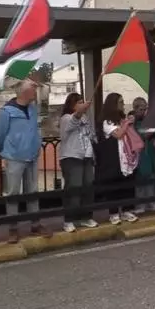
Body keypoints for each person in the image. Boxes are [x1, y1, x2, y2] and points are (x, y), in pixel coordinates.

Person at [0, 79, 51, 243]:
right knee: (13, 193)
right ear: (25, 92)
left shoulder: (32, 109)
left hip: (32, 156)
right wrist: (5, 152)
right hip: (14, 158)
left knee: (32, 192)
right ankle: (13, 228)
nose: (35, 92)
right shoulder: (6, 112)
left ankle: (35, 224)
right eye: (33, 89)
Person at [95, 92, 141, 224]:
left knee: (127, 184)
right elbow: (119, 134)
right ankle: (114, 213)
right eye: (120, 102)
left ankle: (127, 210)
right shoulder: (107, 122)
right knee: (114, 185)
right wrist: (126, 123)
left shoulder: (121, 119)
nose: (123, 105)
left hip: (126, 156)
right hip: (113, 158)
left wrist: (128, 121)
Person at [58, 92, 99, 233]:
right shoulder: (66, 118)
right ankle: (69, 219)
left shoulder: (85, 118)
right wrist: (80, 112)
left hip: (87, 156)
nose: (82, 105)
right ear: (72, 105)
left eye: (82, 102)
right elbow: (72, 123)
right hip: (72, 157)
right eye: (79, 103)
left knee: (88, 187)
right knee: (74, 187)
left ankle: (86, 216)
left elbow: (90, 134)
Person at [132, 97, 155, 214]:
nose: (144, 112)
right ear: (135, 109)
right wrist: (153, 130)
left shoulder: (148, 121)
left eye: (145, 109)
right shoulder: (133, 122)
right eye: (141, 109)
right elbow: (142, 134)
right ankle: (140, 205)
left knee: (150, 177)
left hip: (150, 153)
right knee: (140, 180)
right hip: (139, 155)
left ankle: (150, 202)